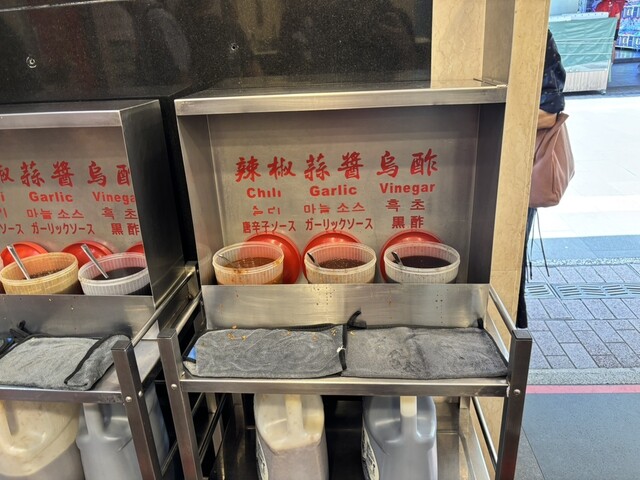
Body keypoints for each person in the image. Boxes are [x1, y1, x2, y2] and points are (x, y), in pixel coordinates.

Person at [516, 30, 566, 329]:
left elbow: (550, 112)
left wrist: (496, 117)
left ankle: (512, 340)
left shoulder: (533, 35)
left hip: (516, 171)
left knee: (510, 265)